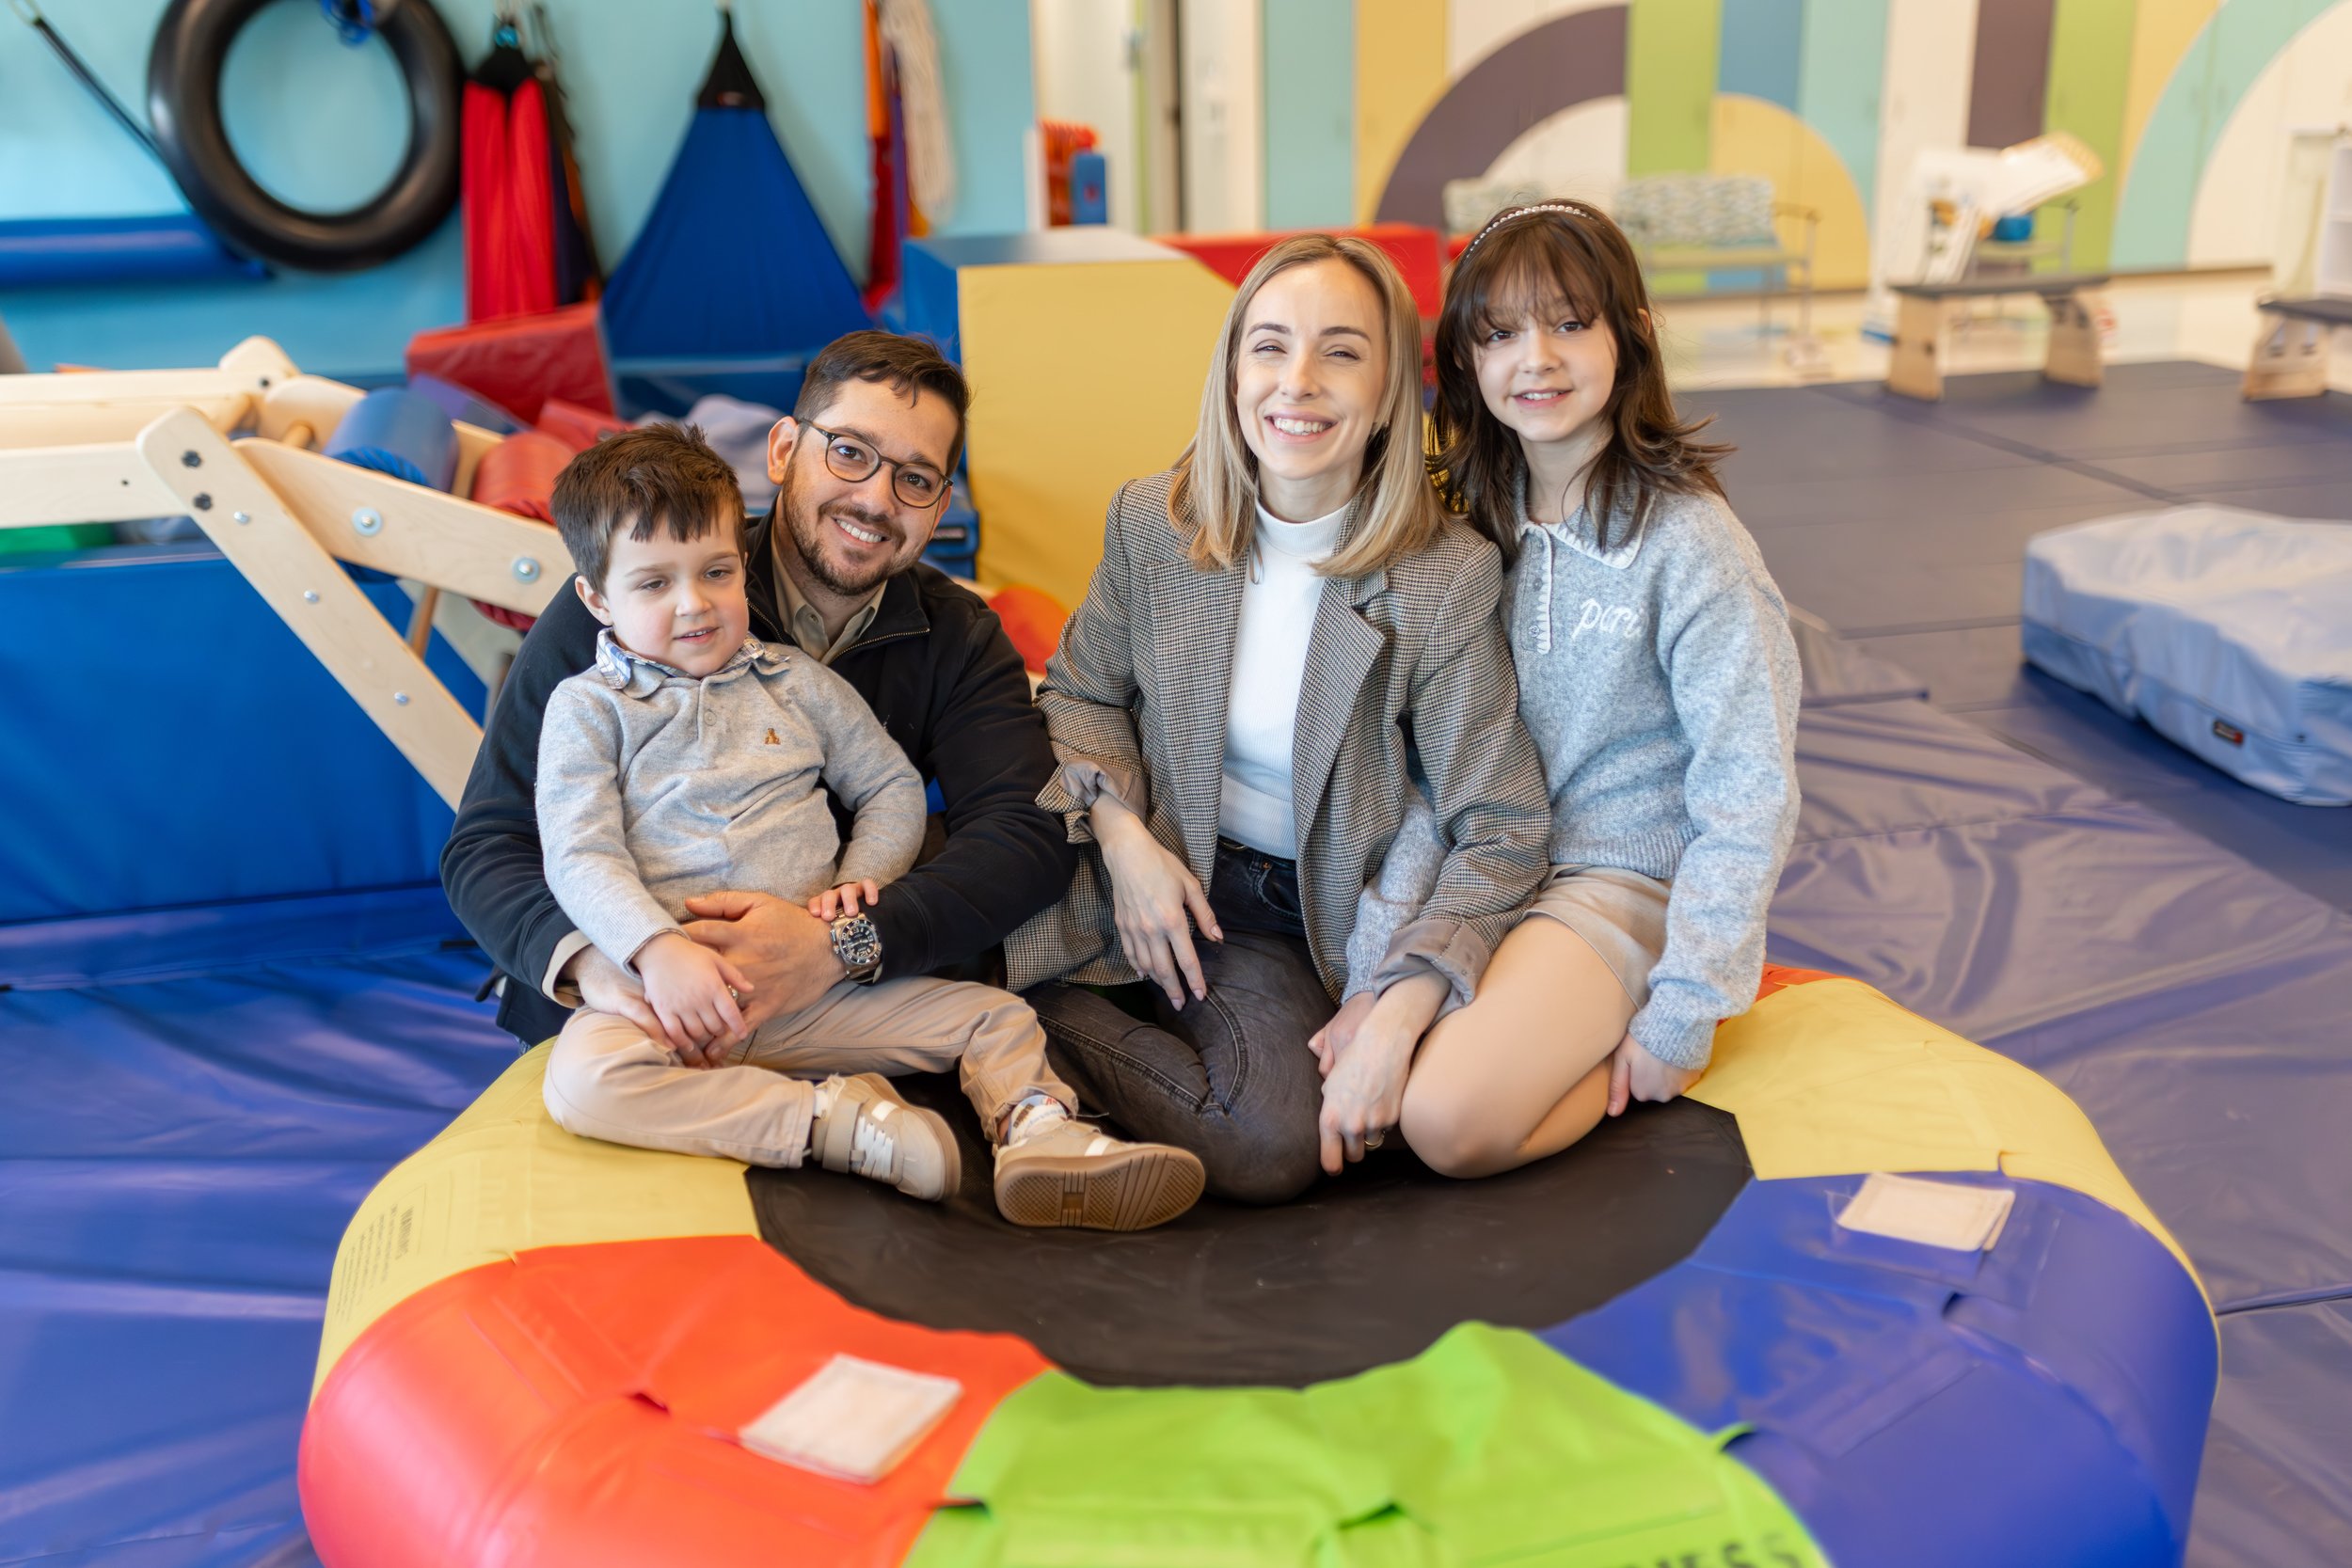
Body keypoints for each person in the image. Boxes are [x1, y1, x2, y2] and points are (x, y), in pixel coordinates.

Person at [525, 426, 1201, 1227]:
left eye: (714, 571)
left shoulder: (796, 683)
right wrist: (654, 949)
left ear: (741, 561)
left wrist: (859, 881)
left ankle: (1037, 1131)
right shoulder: (587, 708)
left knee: (996, 1016)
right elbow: (578, 850)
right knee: (584, 1081)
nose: (694, 603)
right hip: (667, 999)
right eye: (654, 584)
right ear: (597, 600)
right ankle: (831, 1125)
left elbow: (889, 783)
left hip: (814, 988)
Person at [1005, 234, 1554, 1204]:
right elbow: (1081, 694)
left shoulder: (1439, 576)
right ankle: (1000, 1003)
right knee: (938, 903)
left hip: (1283, 917)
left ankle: (1017, 1017)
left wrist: (1400, 995)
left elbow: (1504, 826)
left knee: (1270, 1141)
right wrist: (1125, 837)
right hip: (1146, 853)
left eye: (1340, 351)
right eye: (1269, 346)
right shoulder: (1154, 523)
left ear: (1388, 388)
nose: (1297, 381)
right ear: (1231, 370)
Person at [443, 333, 1076, 1082]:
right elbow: (488, 842)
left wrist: (839, 944)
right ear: (782, 451)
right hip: (631, 1009)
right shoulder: (632, 600)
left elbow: (1027, 833)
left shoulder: (959, 638)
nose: (875, 498)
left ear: (940, 507)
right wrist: (605, 963)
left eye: (915, 478)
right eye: (849, 451)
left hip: (834, 1004)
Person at [1337, 200, 1802, 1180]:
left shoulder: (1689, 542)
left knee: (1443, 1121)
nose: (1534, 358)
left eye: (1568, 321)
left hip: (1619, 877)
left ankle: (1604, 1021)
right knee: (1363, 1069)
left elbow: (1749, 786)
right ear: (1464, 363)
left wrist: (1682, 1010)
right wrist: (1374, 972)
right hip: (1496, 862)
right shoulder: (1470, 523)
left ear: (1629, 336)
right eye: (1498, 334)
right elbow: (1438, 761)